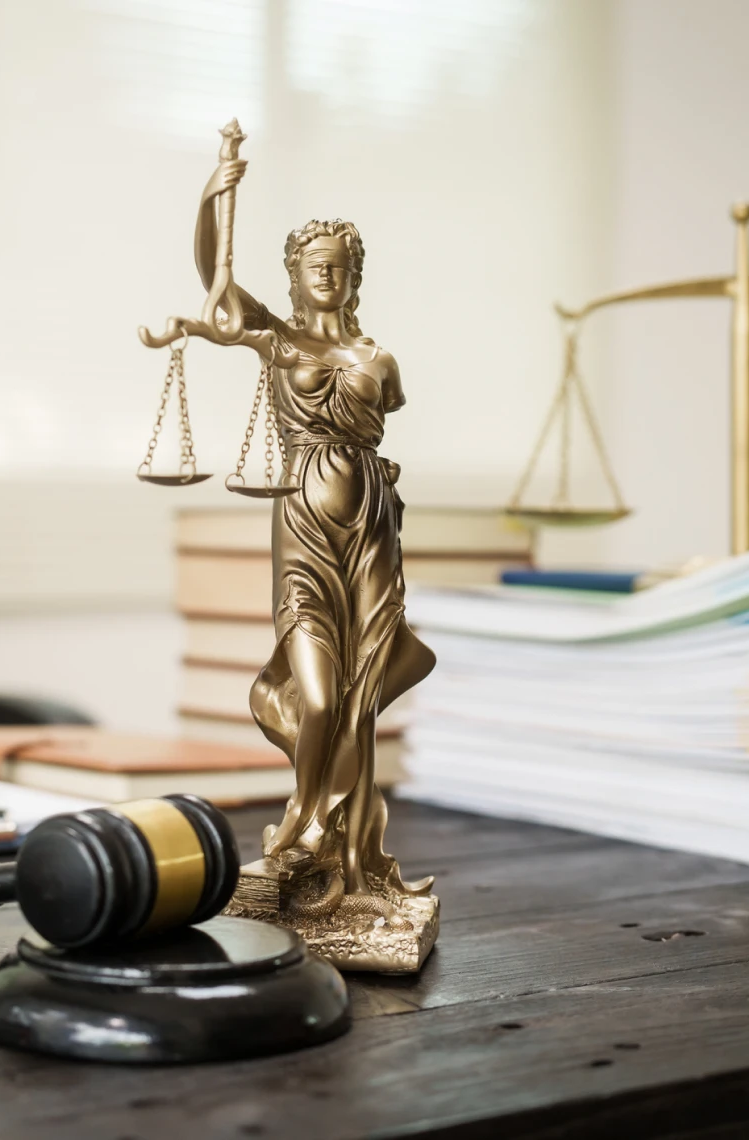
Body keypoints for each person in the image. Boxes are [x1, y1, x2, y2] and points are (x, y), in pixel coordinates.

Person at [194, 158, 436, 899]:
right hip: (302, 528)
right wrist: (215, 193)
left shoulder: (377, 359)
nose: (325, 276)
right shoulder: (277, 340)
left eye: (337, 265)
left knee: (361, 697)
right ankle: (304, 822)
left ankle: (350, 859)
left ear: (353, 277)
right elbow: (216, 283)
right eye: (312, 265)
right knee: (322, 697)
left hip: (370, 530)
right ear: (294, 276)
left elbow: (381, 419)